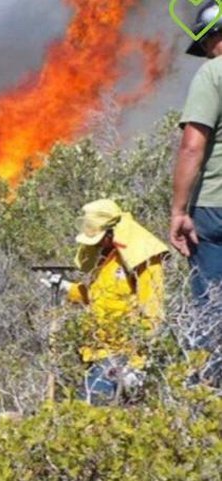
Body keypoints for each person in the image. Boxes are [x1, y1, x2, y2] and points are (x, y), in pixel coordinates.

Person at [44, 199, 167, 405]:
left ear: (112, 232)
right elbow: (97, 297)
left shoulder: (143, 259)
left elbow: (152, 312)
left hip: (123, 355)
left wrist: (138, 366)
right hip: (98, 350)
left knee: (94, 413)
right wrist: (65, 287)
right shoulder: (107, 256)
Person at [172, 2, 222, 384]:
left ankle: (208, 401)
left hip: (215, 209)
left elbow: (193, 145)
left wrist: (178, 211)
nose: (206, 51)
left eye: (206, 43)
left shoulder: (213, 73)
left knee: (210, 312)